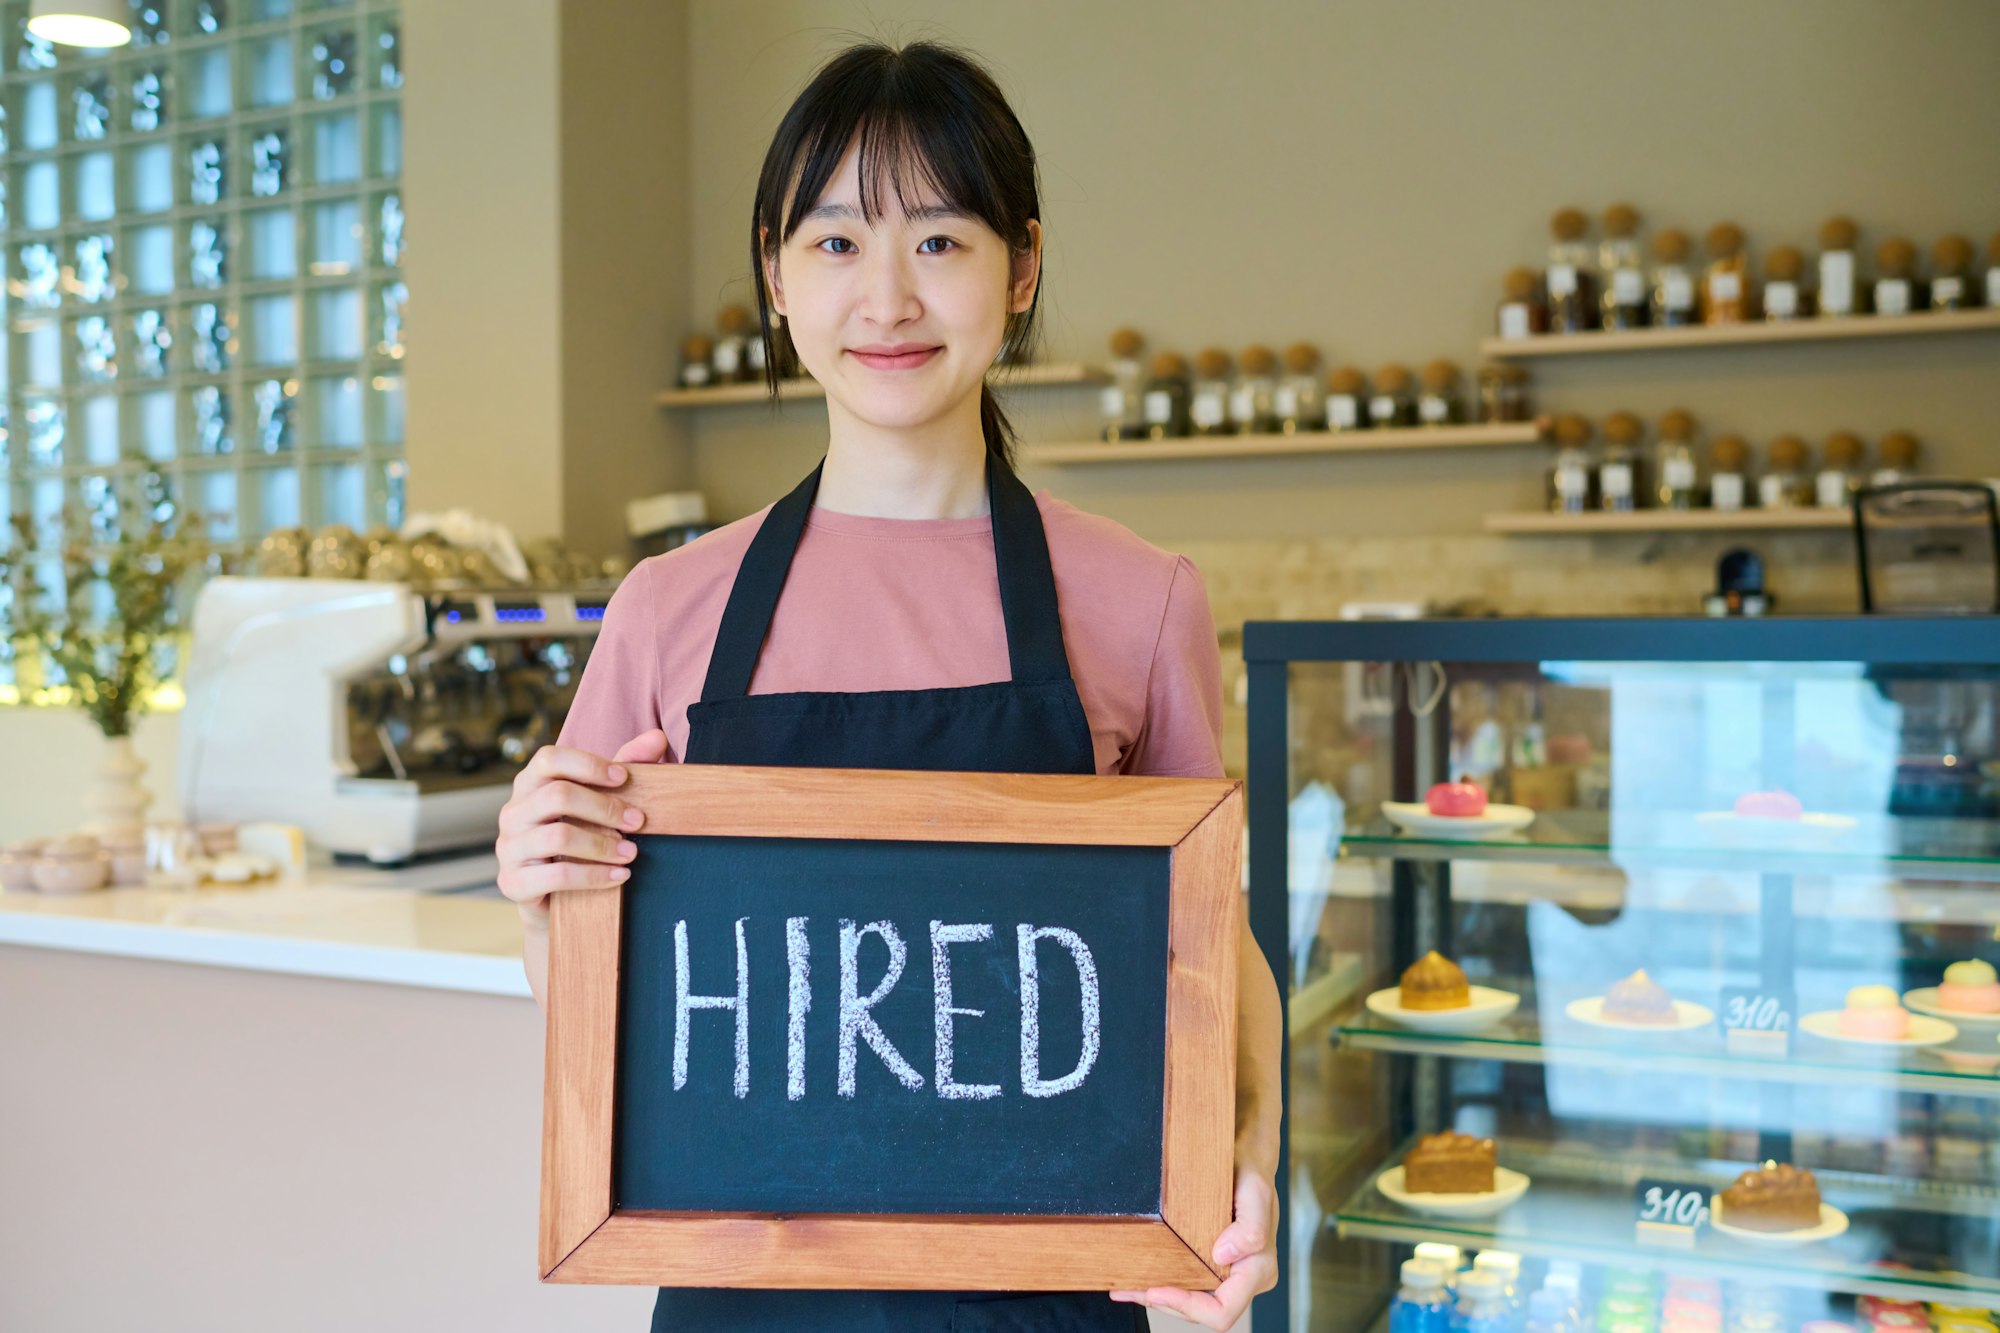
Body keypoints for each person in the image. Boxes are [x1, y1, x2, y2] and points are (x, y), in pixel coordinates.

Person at [496, 38, 1281, 1333]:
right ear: (776, 274)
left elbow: (1213, 937)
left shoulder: (1143, 600)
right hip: (748, 1306)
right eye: (838, 243)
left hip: (1051, 1302)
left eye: (939, 242)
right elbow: (600, 990)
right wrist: (542, 881)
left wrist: (1241, 1158)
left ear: (1020, 267)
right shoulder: (666, 610)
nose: (888, 301)